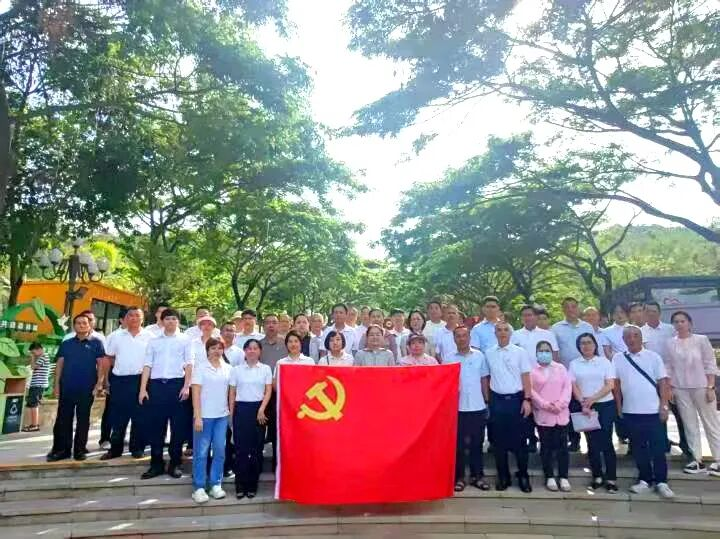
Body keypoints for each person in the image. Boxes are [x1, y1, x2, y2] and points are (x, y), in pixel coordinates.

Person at [614, 326, 674, 498]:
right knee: (639, 448)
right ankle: (644, 479)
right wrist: (619, 406)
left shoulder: (653, 357)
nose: (632, 339)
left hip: (653, 411)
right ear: (624, 340)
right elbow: (616, 385)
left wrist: (664, 405)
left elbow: (663, 382)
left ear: (641, 338)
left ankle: (662, 481)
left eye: (635, 335)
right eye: (628, 337)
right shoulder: (618, 358)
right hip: (631, 411)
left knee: (658, 448)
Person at [139, 308, 193, 479]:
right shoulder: (154, 341)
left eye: (174, 319)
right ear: (162, 321)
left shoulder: (186, 340)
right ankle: (156, 464)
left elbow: (189, 364)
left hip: (177, 386)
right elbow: (147, 365)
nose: (171, 321)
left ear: (178, 321)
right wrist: (143, 389)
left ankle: (175, 463)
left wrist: (187, 386)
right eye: (168, 319)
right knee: (156, 427)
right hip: (156, 387)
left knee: (178, 427)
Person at [665, 311, 720, 476]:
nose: (679, 324)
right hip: (680, 388)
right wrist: (670, 388)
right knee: (689, 425)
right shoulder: (670, 343)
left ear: (689, 323)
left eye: (682, 321)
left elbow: (710, 363)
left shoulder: (701, 340)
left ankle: (719, 459)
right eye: (676, 322)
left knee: (711, 423)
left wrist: (710, 387)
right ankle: (696, 460)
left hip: (702, 387)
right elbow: (668, 366)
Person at [47, 314, 106, 462]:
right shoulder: (67, 343)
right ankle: (62, 450)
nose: (81, 325)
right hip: (67, 387)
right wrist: (56, 385)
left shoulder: (97, 343)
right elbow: (59, 365)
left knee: (83, 419)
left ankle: (79, 450)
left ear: (89, 325)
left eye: (84, 323)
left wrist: (99, 384)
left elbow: (101, 365)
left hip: (86, 388)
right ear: (74, 326)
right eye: (78, 323)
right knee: (63, 419)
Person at [485, 321, 533, 492]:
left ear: (510, 333)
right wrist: (487, 401)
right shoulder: (489, 353)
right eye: (499, 330)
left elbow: (526, 377)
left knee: (520, 442)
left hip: (517, 400)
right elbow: (487, 378)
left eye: (506, 329)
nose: (502, 332)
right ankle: (503, 475)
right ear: (495, 333)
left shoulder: (520, 352)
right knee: (499, 443)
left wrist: (527, 399)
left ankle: (523, 475)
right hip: (497, 400)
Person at [100, 306, 153, 460]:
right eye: (131, 315)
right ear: (125, 318)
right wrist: (105, 380)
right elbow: (108, 358)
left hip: (141, 380)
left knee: (140, 416)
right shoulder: (116, 336)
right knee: (118, 417)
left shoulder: (150, 337)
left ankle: (137, 448)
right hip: (120, 380)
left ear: (142, 318)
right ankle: (115, 449)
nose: (134, 318)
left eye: (137, 315)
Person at [569, 333, 618, 492]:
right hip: (585, 407)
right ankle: (597, 476)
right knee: (591, 442)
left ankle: (611, 478)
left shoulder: (604, 362)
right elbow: (573, 385)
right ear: (579, 346)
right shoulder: (574, 364)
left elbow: (610, 384)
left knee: (606, 441)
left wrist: (592, 399)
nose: (586, 346)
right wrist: (583, 402)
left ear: (595, 345)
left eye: (589, 342)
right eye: (582, 343)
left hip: (605, 405)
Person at [444, 326, 490, 491]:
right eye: (458, 336)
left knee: (477, 443)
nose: (462, 339)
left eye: (464, 335)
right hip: (457, 408)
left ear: (469, 337)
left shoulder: (479, 356)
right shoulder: (448, 358)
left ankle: (478, 476)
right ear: (454, 339)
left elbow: (484, 379)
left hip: (477, 406)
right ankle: (459, 478)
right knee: (459, 445)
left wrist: (487, 401)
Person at [643, 302, 691, 457]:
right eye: (648, 311)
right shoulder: (641, 332)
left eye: (654, 311)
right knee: (659, 414)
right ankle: (662, 444)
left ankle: (686, 444)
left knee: (681, 413)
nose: (651, 314)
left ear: (659, 312)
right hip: (653, 380)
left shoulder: (670, 329)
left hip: (674, 378)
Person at [511, 305, 560, 453]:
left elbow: (555, 356)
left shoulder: (547, 334)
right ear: (521, 318)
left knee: (544, 408)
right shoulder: (515, 335)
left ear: (536, 317)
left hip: (545, 378)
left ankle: (548, 443)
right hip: (524, 378)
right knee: (528, 410)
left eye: (530, 315)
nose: (528, 318)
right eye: (525, 315)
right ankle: (531, 439)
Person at [229, 338, 272, 499]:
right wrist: (231, 415)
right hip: (241, 410)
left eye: (255, 348)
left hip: (259, 411)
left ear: (260, 351)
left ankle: (252, 485)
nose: (252, 351)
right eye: (249, 348)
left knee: (256, 449)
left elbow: (268, 391)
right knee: (241, 450)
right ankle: (240, 485)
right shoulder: (236, 370)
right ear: (245, 351)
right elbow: (232, 393)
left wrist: (262, 409)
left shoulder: (265, 369)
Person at [190, 338, 232, 504]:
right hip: (204, 417)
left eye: (219, 348)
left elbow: (230, 392)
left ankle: (216, 484)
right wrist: (197, 416)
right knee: (201, 453)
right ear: (207, 350)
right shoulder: (200, 368)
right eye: (213, 348)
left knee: (220, 451)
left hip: (221, 416)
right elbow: (196, 393)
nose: (216, 351)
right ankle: (199, 487)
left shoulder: (228, 368)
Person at [552, 297, 593, 452]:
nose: (570, 310)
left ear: (578, 308)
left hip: (586, 373)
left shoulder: (587, 327)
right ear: (563, 309)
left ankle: (590, 441)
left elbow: (594, 348)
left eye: (573, 306)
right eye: (567, 307)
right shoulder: (556, 328)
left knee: (586, 406)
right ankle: (574, 440)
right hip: (566, 375)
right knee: (570, 408)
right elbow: (555, 352)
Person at [530, 340, 572, 492]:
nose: (544, 353)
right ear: (536, 353)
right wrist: (545, 405)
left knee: (563, 447)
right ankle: (549, 476)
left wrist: (560, 404)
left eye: (547, 350)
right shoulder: (532, 371)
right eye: (541, 351)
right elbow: (531, 391)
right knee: (546, 446)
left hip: (561, 413)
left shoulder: (560, 368)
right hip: (543, 413)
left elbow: (567, 387)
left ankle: (564, 476)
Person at [260, 313, 289, 472]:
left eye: (274, 322)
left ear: (278, 325)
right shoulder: (258, 345)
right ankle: (257, 463)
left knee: (278, 429)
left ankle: (277, 464)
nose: (271, 325)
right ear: (264, 325)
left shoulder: (286, 343)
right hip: (261, 393)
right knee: (260, 427)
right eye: (268, 322)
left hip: (281, 392)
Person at [22, 342, 50, 432]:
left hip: (38, 385)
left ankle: (34, 425)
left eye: (34, 352)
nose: (33, 354)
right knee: (31, 404)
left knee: (34, 404)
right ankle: (32, 424)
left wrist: (32, 357)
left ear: (39, 349)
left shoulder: (44, 357)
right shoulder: (42, 357)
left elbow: (33, 367)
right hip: (36, 384)